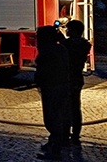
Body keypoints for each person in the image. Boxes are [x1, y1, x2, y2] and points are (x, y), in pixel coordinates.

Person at [35, 26, 70, 161]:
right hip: (61, 86)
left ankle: (55, 151)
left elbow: (43, 71)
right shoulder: (61, 49)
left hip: (51, 88)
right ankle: (54, 145)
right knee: (58, 117)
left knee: (52, 119)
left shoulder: (47, 52)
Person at [60, 20, 92, 146]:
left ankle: (65, 133)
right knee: (75, 107)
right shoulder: (85, 44)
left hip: (67, 79)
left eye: (68, 29)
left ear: (73, 31)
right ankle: (76, 134)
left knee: (65, 107)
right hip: (78, 78)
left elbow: (63, 49)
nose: (66, 31)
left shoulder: (67, 44)